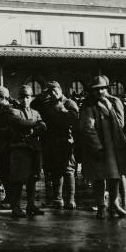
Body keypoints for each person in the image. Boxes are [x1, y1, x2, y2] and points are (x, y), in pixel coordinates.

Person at [80, 76, 126, 218]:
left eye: (102, 88)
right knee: (98, 177)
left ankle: (114, 204)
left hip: (113, 146)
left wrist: (110, 108)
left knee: (114, 175)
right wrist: (96, 147)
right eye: (96, 89)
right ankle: (101, 206)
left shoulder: (113, 102)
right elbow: (87, 128)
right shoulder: (88, 105)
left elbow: (121, 124)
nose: (100, 91)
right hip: (98, 146)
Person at [0, 85, 47, 217]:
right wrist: (35, 124)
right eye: (22, 97)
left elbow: (43, 126)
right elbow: (20, 122)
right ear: (18, 98)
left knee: (33, 179)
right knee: (18, 179)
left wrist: (33, 126)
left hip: (34, 149)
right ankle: (16, 207)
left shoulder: (35, 112)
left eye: (27, 97)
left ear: (31, 97)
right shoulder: (14, 111)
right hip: (20, 148)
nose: (25, 100)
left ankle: (31, 205)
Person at [39, 81, 79, 209]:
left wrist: (61, 107)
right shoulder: (48, 104)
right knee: (56, 170)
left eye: (55, 90)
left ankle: (71, 200)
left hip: (67, 141)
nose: (53, 93)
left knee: (68, 170)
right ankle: (58, 198)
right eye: (50, 91)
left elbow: (74, 119)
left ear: (61, 90)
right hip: (53, 142)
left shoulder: (69, 103)